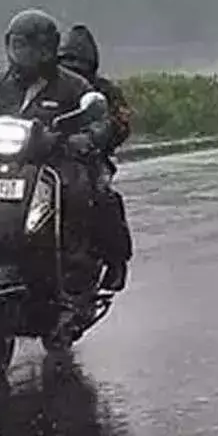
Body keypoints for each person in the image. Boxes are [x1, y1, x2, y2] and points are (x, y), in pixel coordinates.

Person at [0, 9, 105, 288]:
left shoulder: (72, 85)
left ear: (51, 48)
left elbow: (97, 122)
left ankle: (76, 259)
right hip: (0, 165)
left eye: (36, 48)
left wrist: (83, 138)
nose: (27, 54)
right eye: (20, 46)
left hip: (52, 163)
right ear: (8, 45)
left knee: (80, 191)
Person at [57, 24, 134, 292]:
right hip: (43, 157)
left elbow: (120, 123)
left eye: (78, 62)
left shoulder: (104, 90)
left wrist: (97, 138)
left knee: (103, 198)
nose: (72, 67)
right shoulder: (47, 86)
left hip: (89, 160)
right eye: (66, 61)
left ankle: (116, 262)